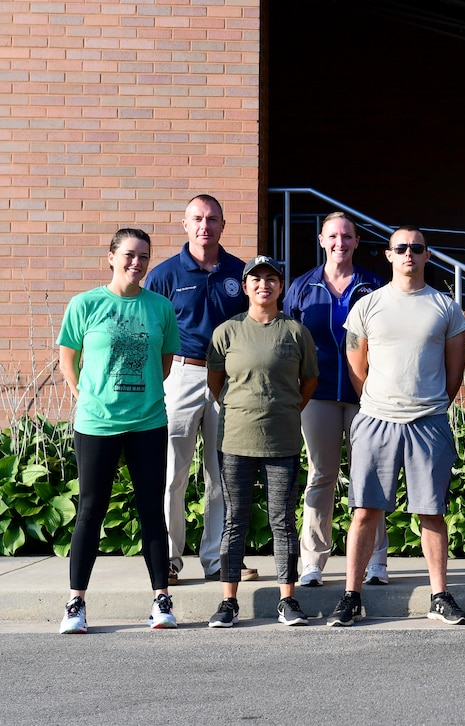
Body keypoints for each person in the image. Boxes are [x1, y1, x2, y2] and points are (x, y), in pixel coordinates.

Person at [326, 227, 465, 626]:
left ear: (427, 256)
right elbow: (358, 369)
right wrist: (379, 403)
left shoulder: (446, 307)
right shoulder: (368, 306)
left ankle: (439, 596)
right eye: (401, 248)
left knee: (431, 512)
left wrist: (431, 404)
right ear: (389, 255)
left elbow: (455, 372)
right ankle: (351, 597)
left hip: (429, 422)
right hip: (375, 421)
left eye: (417, 248)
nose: (409, 253)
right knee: (364, 511)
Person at [56, 228, 181, 633]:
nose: (137, 263)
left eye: (144, 256)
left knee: (151, 510)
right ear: (110, 257)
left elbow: (164, 365)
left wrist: (139, 397)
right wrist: (84, 395)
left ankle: (161, 599)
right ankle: (76, 604)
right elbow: (68, 358)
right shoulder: (85, 304)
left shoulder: (159, 307)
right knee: (90, 510)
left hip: (147, 422)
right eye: (129, 255)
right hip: (96, 424)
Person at [205, 256, 319, 627]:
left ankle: (287, 600)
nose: (263, 285)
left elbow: (308, 383)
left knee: (282, 522)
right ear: (245, 286)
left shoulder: (295, 332)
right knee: (234, 520)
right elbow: (216, 382)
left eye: (271, 279)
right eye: (256, 279)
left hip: (282, 442)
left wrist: (284, 409)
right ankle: (228, 602)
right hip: (236, 440)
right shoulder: (227, 332)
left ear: (280, 287)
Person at [144, 194, 251, 584]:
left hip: (229, 380)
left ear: (223, 225)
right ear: (184, 224)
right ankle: (170, 560)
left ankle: (216, 559)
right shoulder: (165, 275)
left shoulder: (240, 272)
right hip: (182, 376)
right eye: (198, 219)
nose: (205, 226)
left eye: (212, 219)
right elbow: (151, 330)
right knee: (173, 473)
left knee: (222, 475)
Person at [283, 211, 391, 588]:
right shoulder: (301, 287)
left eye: (347, 236)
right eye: (333, 236)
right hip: (318, 395)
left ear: (357, 242)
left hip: (368, 397)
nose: (340, 242)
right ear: (321, 240)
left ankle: (377, 562)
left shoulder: (375, 285)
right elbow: (288, 342)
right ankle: (312, 562)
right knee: (321, 475)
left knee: (371, 478)